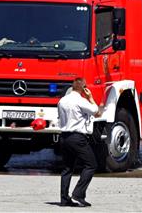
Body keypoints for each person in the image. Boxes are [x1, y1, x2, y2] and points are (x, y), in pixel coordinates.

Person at [58, 77, 100, 207]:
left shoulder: (62, 100)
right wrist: (91, 97)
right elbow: (96, 111)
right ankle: (78, 193)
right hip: (77, 138)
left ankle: (64, 199)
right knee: (91, 164)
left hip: (64, 137)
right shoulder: (80, 101)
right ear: (83, 88)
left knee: (67, 168)